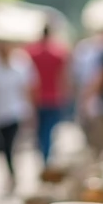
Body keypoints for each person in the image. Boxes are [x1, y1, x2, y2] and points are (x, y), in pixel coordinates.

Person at [0, 41, 35, 192]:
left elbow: (25, 90)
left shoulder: (19, 67)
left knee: (11, 145)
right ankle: (11, 173)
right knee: (3, 147)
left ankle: (12, 173)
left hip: (14, 113)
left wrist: (29, 110)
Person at [25, 24, 69, 164]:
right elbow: (63, 77)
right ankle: (46, 157)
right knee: (49, 130)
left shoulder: (31, 53)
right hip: (53, 98)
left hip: (37, 98)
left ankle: (44, 156)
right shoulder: (59, 53)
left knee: (40, 130)